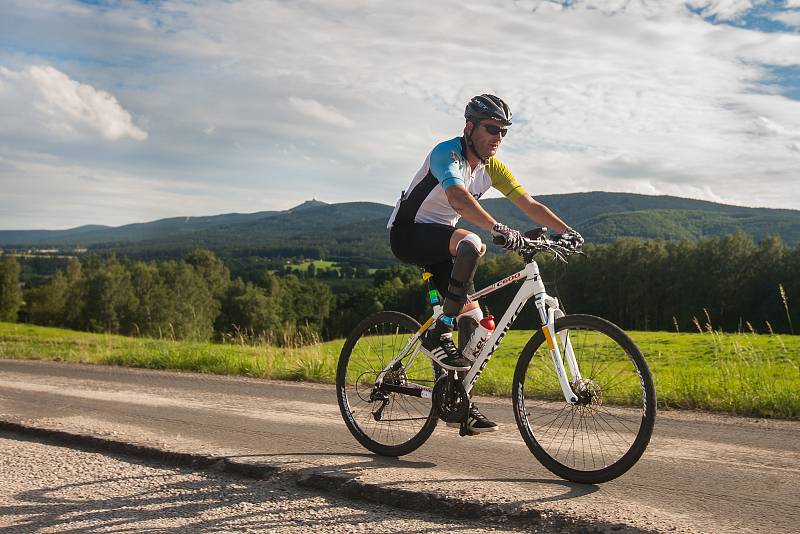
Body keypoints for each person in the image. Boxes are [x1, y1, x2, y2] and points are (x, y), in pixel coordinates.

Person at [387, 94, 583, 434]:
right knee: (472, 243)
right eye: (492, 129)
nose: (498, 138)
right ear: (470, 127)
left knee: (477, 323)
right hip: (409, 233)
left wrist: (566, 230)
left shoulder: (492, 168)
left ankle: (458, 400)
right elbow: (457, 198)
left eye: (504, 132)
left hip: (443, 243)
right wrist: (497, 228)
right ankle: (438, 331)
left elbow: (529, 204)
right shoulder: (446, 153)